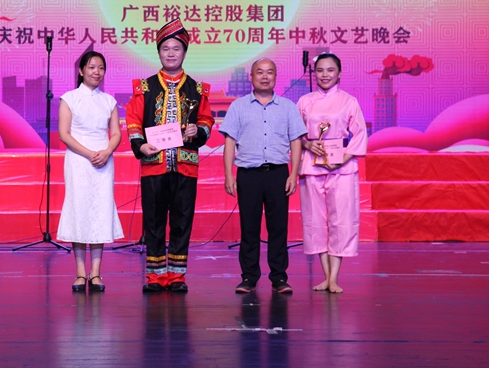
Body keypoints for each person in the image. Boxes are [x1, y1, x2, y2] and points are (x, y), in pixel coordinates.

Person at [125, 19, 215, 293]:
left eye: (176, 48)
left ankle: (176, 275)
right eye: (166, 49)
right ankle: (155, 276)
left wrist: (197, 130)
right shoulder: (145, 87)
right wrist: (141, 146)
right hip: (154, 164)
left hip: (185, 165)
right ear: (159, 52)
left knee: (182, 219)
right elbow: (133, 121)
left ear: (185, 52)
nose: (171, 53)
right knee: (153, 221)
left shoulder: (197, 90)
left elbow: (207, 121)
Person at [221, 58, 306, 294]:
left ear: (275, 77)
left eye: (270, 72)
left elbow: (296, 141)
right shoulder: (238, 106)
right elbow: (230, 142)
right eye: (260, 72)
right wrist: (229, 175)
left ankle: (279, 278)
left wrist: (293, 174)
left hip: (278, 174)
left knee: (278, 228)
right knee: (249, 228)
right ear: (252, 77)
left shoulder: (288, 107)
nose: (265, 76)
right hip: (248, 175)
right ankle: (249, 277)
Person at [297, 52, 367, 293]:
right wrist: (307, 145)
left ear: (339, 73)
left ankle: (334, 278)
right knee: (316, 222)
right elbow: (295, 134)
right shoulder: (304, 101)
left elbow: (360, 134)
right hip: (312, 166)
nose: (324, 75)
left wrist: (341, 160)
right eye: (320, 70)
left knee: (341, 221)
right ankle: (326, 277)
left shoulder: (349, 101)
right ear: (314, 73)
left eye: (330, 70)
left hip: (342, 168)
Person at [57, 51, 124, 293]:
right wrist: (89, 154)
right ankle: (79, 273)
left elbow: (116, 133)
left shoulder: (109, 101)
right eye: (92, 67)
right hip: (79, 160)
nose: (97, 72)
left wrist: (106, 151)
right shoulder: (69, 98)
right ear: (81, 70)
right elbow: (64, 134)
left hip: (103, 161)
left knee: (99, 211)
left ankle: (95, 273)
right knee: (79, 210)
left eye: (101, 68)